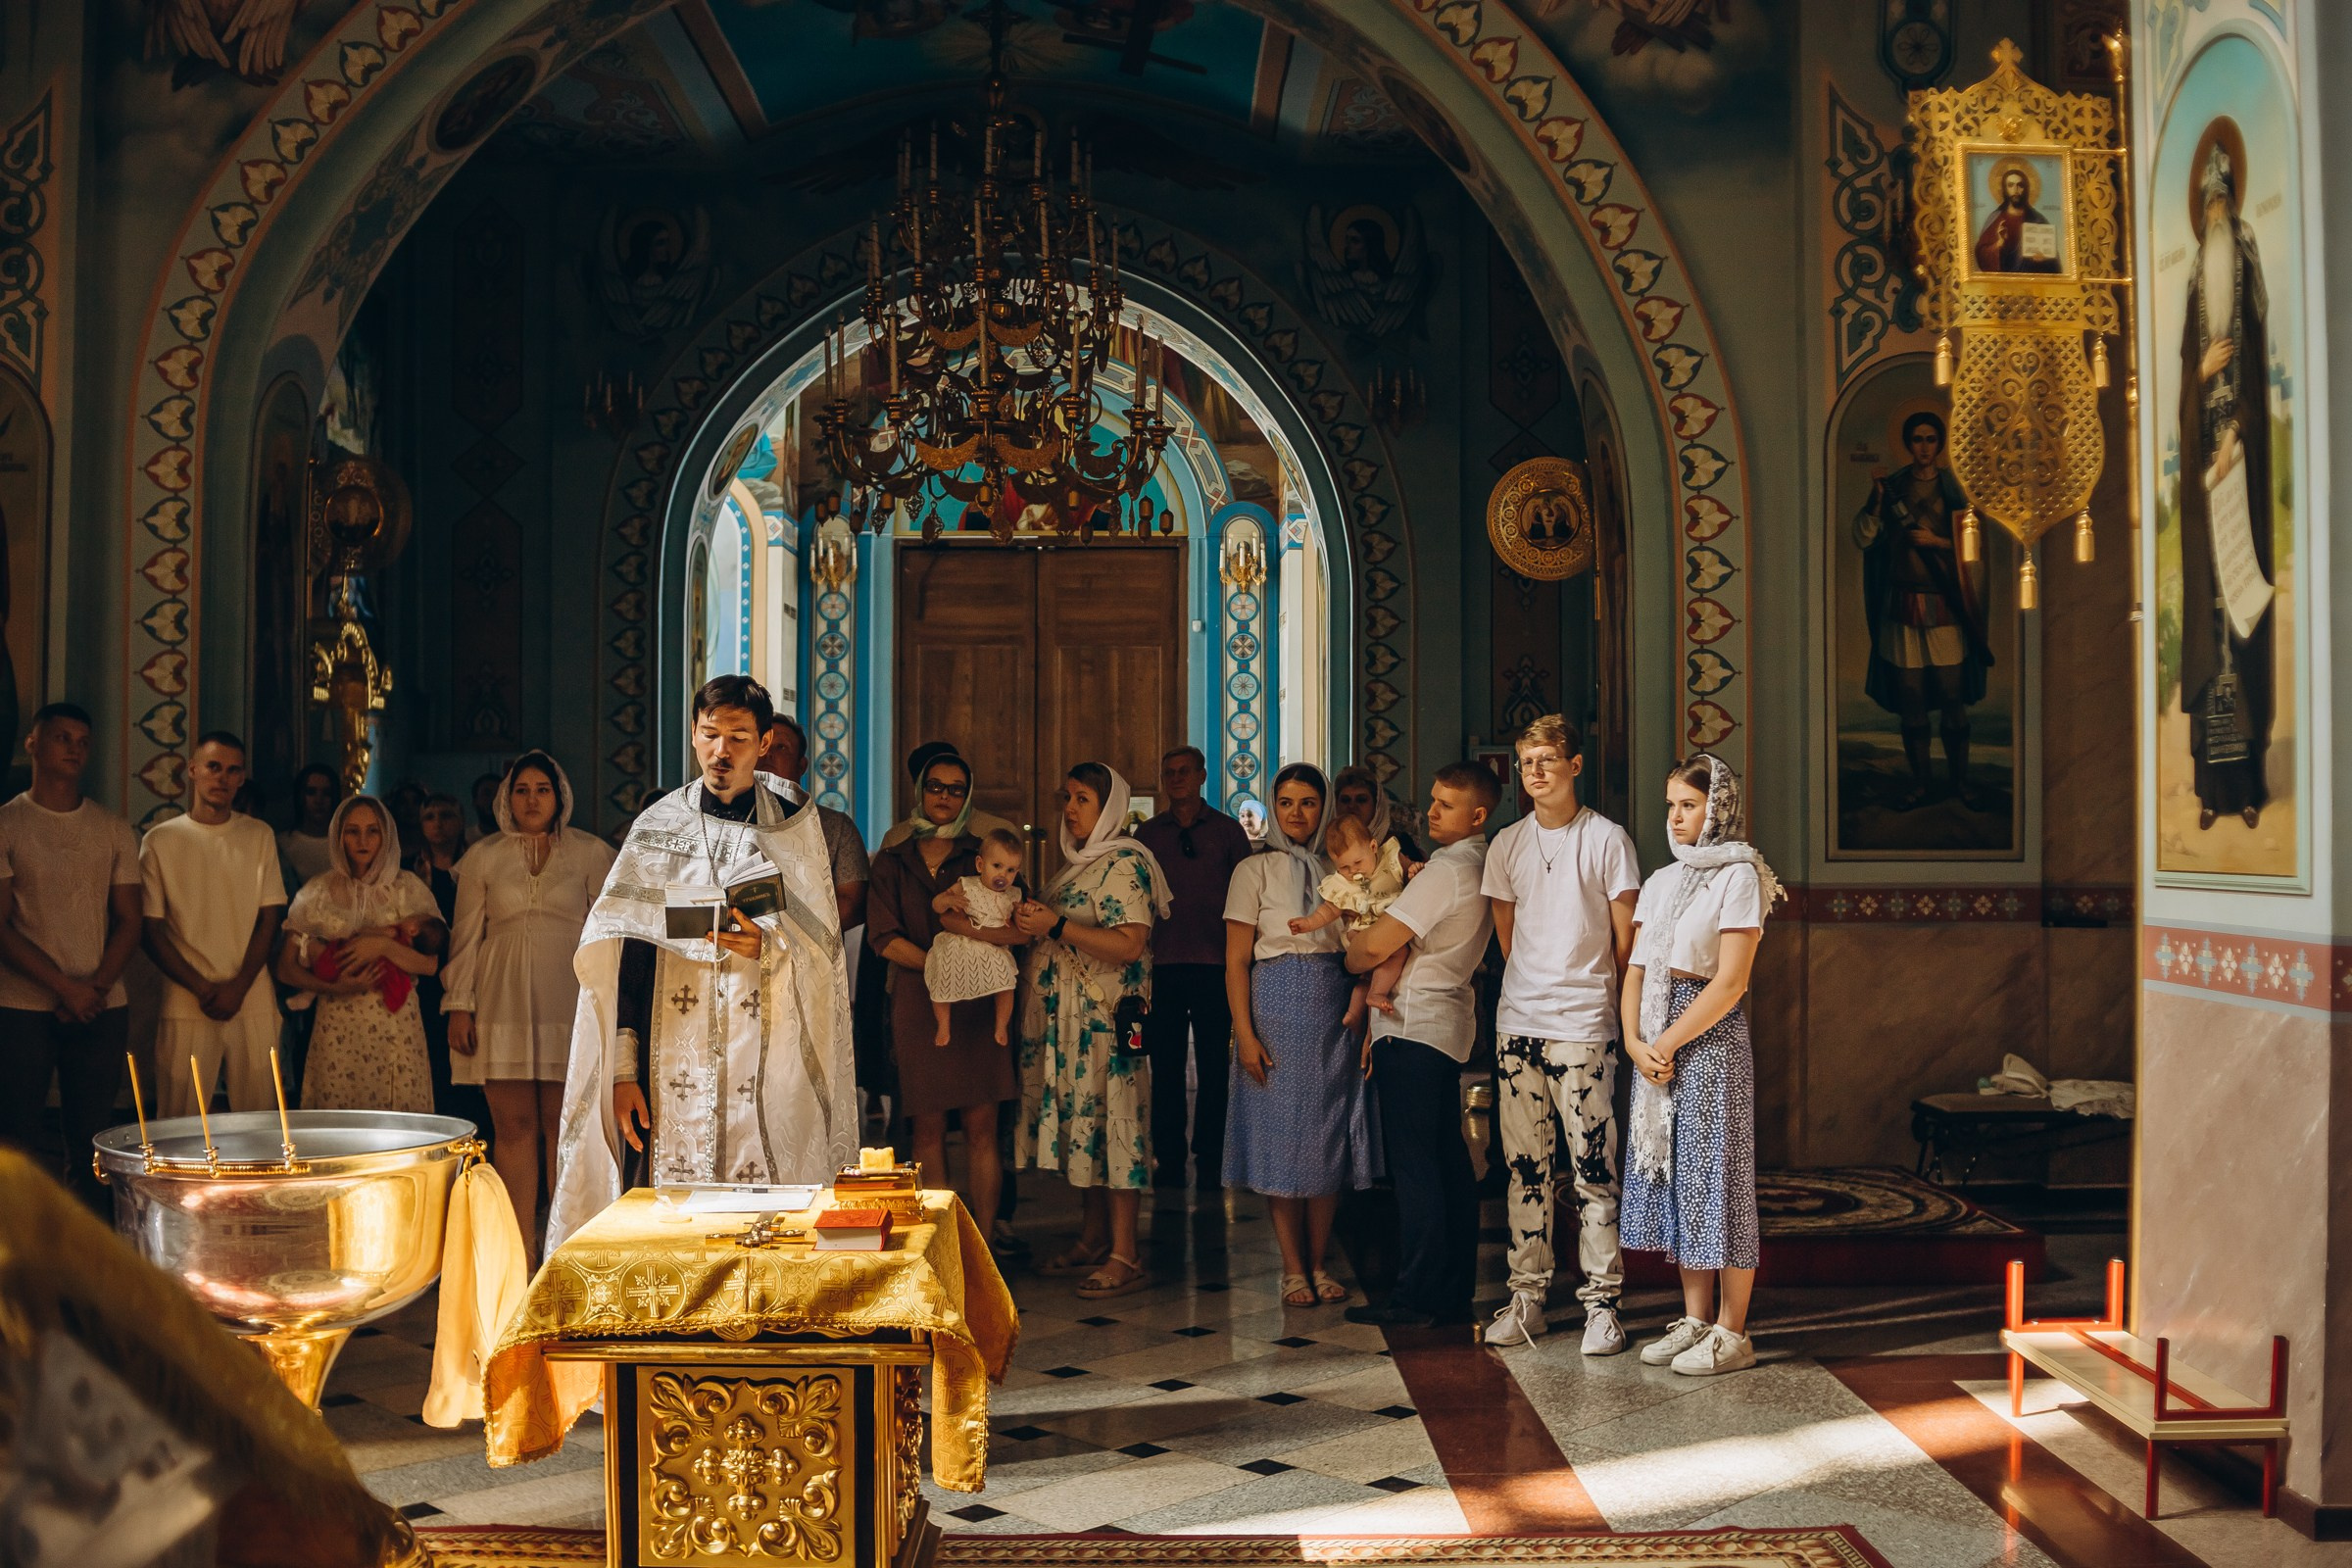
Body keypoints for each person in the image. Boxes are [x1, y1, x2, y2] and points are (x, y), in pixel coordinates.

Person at [547, 676, 855, 1250]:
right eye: (710, 734)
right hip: (675, 1059)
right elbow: (628, 958)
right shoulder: (657, 829)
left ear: (764, 744)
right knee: (676, 1215)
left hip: (769, 1057)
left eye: (738, 737)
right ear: (693, 735)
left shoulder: (794, 826)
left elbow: (823, 954)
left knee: (769, 1216)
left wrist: (770, 946)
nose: (722, 751)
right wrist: (621, 1070)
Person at [1479, 714, 1642, 1353]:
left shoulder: (1606, 840)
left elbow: (1627, 944)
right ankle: (1527, 1300)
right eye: (1526, 762)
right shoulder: (1506, 845)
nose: (1536, 772)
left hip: (1582, 1025)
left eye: (1547, 759)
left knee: (1593, 1171)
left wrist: (1623, 1020)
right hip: (1519, 1025)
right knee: (1524, 1168)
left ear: (1576, 766)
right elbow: (1506, 937)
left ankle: (1603, 1304)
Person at [1621, 754, 1781, 1377]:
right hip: (1657, 1033)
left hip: (1708, 1036)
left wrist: (1668, 1041)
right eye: (1671, 806)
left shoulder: (1739, 874)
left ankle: (1732, 1331)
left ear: (1719, 807)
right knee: (1683, 1179)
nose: (1677, 817)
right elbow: (1635, 971)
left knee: (1720, 1177)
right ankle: (1693, 1318)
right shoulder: (1662, 880)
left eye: (1689, 805)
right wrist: (1637, 1044)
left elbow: (1733, 980)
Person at [1341, 761, 1497, 1328]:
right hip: (1446, 1021)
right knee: (1447, 1161)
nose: (1430, 813)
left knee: (1416, 1167)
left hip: (1412, 1024)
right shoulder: (1479, 863)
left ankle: (1418, 1296)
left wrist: (1354, 945)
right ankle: (1450, 1290)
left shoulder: (1447, 871)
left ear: (1477, 815)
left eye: (1445, 805)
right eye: (1431, 800)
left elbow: (1368, 951)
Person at [1222, 763, 1379, 1307]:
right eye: (1285, 802)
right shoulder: (1254, 871)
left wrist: (1364, 1012)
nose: (1296, 813)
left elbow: (1364, 943)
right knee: (1281, 1140)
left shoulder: (1347, 869)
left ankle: (1319, 1260)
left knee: (1326, 1137)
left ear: (1325, 807)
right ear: (1272, 807)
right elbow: (1236, 961)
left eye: (1308, 802)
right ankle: (1293, 1267)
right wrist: (1245, 1033)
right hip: (1273, 1010)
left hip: (1333, 1008)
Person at [1012, 761, 1169, 1300]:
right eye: (1069, 797)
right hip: (1070, 1022)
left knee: (1118, 1123)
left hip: (1106, 1021)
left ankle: (1127, 1252)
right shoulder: (1081, 863)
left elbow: (1128, 944)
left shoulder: (1124, 864)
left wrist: (1055, 925)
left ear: (1111, 809)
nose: (1071, 809)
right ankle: (1095, 1235)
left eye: (1084, 799)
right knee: (1091, 1122)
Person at [443, 753, 615, 1238]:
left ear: (559, 795)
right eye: (522, 790)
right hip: (501, 999)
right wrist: (459, 1002)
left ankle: (563, 1247)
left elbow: (608, 934)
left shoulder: (591, 853)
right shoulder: (483, 856)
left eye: (542, 789)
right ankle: (517, 1251)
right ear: (507, 798)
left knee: (564, 1130)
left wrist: (607, 1004)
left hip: (569, 997)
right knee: (513, 1130)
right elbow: (465, 936)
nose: (532, 799)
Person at [865, 752, 1022, 1244]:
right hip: (920, 1002)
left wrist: (971, 967)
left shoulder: (985, 854)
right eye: (935, 787)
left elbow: (1019, 923)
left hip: (980, 1005)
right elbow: (882, 936)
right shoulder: (894, 857)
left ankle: (987, 1239)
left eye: (956, 789)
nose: (944, 797)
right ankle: (943, 1242)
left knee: (982, 1127)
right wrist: (940, 968)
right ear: (921, 790)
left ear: (967, 797)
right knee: (926, 1128)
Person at [0, 705, 142, 1208]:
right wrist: (65, 987)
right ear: (33, 744)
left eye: (83, 740)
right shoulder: (8, 824)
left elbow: (130, 918)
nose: (75, 748)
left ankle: (86, 1262)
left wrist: (95, 988)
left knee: (92, 1143)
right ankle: (19, 1252)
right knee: (16, 1136)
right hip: (22, 1005)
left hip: (101, 1004)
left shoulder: (111, 827)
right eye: (62, 737)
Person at [2178, 140, 2276, 831]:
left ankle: (2245, 785)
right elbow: (2187, 383)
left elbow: (2257, 383)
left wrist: (2236, 436)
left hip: (2238, 475)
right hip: (2203, 490)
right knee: (2208, 630)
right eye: (2208, 202)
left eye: (2223, 199)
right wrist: (2205, 372)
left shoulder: (2242, 268)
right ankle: (2210, 789)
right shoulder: (2193, 287)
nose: (2216, 211)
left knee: (2243, 626)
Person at [141, 733, 287, 1119]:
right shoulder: (160, 840)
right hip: (187, 997)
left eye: (233, 770)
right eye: (213, 767)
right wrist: (203, 987)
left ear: (242, 779)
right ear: (192, 770)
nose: (222, 777)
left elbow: (270, 918)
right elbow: (150, 929)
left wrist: (238, 986)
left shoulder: (259, 835)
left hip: (252, 994)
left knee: (260, 1121)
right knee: (178, 1122)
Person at [1853, 413, 1991, 808]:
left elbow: (1975, 545)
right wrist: (1878, 503)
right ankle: (1921, 785)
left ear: (1941, 442)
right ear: (1909, 443)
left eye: (1931, 439)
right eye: (1917, 439)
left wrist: (1938, 541)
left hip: (1945, 604)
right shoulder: (1892, 487)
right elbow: (1863, 536)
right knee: (1911, 699)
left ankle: (1960, 783)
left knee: (1952, 696)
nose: (1924, 447)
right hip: (1902, 606)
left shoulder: (1956, 489)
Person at [1131, 746, 1250, 1194]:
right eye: (1169, 773)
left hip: (1216, 964)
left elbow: (1246, 895)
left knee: (1217, 1063)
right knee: (1165, 1063)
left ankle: (1212, 1148)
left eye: (1185, 771)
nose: (1176, 778)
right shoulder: (1147, 834)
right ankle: (1169, 1151)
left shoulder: (1227, 831)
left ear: (1202, 776)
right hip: (1161, 964)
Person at [277, 796, 445, 1113]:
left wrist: (383, 946)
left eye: (372, 831)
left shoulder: (407, 888)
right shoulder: (318, 891)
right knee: (339, 1119)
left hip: (396, 1026)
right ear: (339, 836)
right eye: (353, 831)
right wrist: (335, 987)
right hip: (337, 1027)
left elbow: (430, 963)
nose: (363, 840)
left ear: (386, 836)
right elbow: (285, 968)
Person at [409, 791, 487, 1128]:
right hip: (424, 983)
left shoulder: (475, 867)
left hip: (470, 977)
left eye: (447, 815)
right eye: (430, 816)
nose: (438, 824)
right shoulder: (410, 871)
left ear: (461, 822)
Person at [1290, 813, 1409, 1017]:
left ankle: (1354, 1015)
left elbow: (1410, 873)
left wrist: (1414, 869)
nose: (1353, 871)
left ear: (1373, 847)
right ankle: (1377, 993)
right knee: (1398, 953)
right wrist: (1309, 923)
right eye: (1344, 867)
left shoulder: (1391, 860)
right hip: (1362, 930)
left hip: (1390, 925)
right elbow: (1329, 910)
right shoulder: (1342, 883)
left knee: (1367, 978)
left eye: (1357, 862)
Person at [762, 713, 870, 931]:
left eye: (781, 747)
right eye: (761, 746)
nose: (768, 755)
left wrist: (789, 938)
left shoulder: (836, 828)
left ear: (801, 766)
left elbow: (850, 903)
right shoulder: (725, 819)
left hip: (813, 952)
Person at [925, 830, 1025, 1047]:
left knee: (1007, 979)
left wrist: (1022, 914)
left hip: (993, 945)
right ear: (980, 865)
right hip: (961, 941)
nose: (1003, 875)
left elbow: (1019, 923)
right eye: (997, 866)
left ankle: (1001, 1025)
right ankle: (943, 1024)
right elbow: (936, 906)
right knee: (942, 972)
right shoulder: (967, 885)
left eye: (1011, 870)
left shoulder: (1014, 895)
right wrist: (946, 900)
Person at [1972, 164, 2061, 273]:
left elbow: (2054, 262)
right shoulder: (1995, 218)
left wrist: (2044, 259)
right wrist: (1999, 243)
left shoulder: (2038, 220)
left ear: (2026, 188)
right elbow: (1981, 255)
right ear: (2004, 189)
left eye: (2020, 185)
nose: (2016, 190)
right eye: (2010, 185)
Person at [1332, 763, 1425, 865]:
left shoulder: (1400, 844)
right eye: (1345, 800)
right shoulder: (1329, 844)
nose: (1352, 806)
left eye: (1361, 800)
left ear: (1376, 806)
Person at [278, 763, 340, 889]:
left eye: (326, 793)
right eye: (311, 792)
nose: (319, 800)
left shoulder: (345, 844)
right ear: (300, 797)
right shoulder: (282, 844)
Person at [469, 772, 504, 844]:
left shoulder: (517, 839)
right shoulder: (464, 840)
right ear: (475, 801)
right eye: (486, 794)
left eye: (498, 794)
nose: (493, 799)